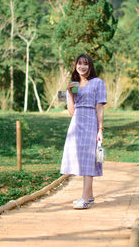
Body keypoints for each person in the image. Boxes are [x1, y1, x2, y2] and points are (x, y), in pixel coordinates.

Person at [60, 54, 107, 209]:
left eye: (85, 64)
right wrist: (70, 94)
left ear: (90, 66)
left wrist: (100, 129)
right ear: (75, 66)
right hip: (76, 123)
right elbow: (71, 111)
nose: (82, 66)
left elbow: (99, 107)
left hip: (90, 122)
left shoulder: (97, 82)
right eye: (79, 63)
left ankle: (85, 198)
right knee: (81, 158)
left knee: (88, 159)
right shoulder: (73, 84)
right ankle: (90, 196)